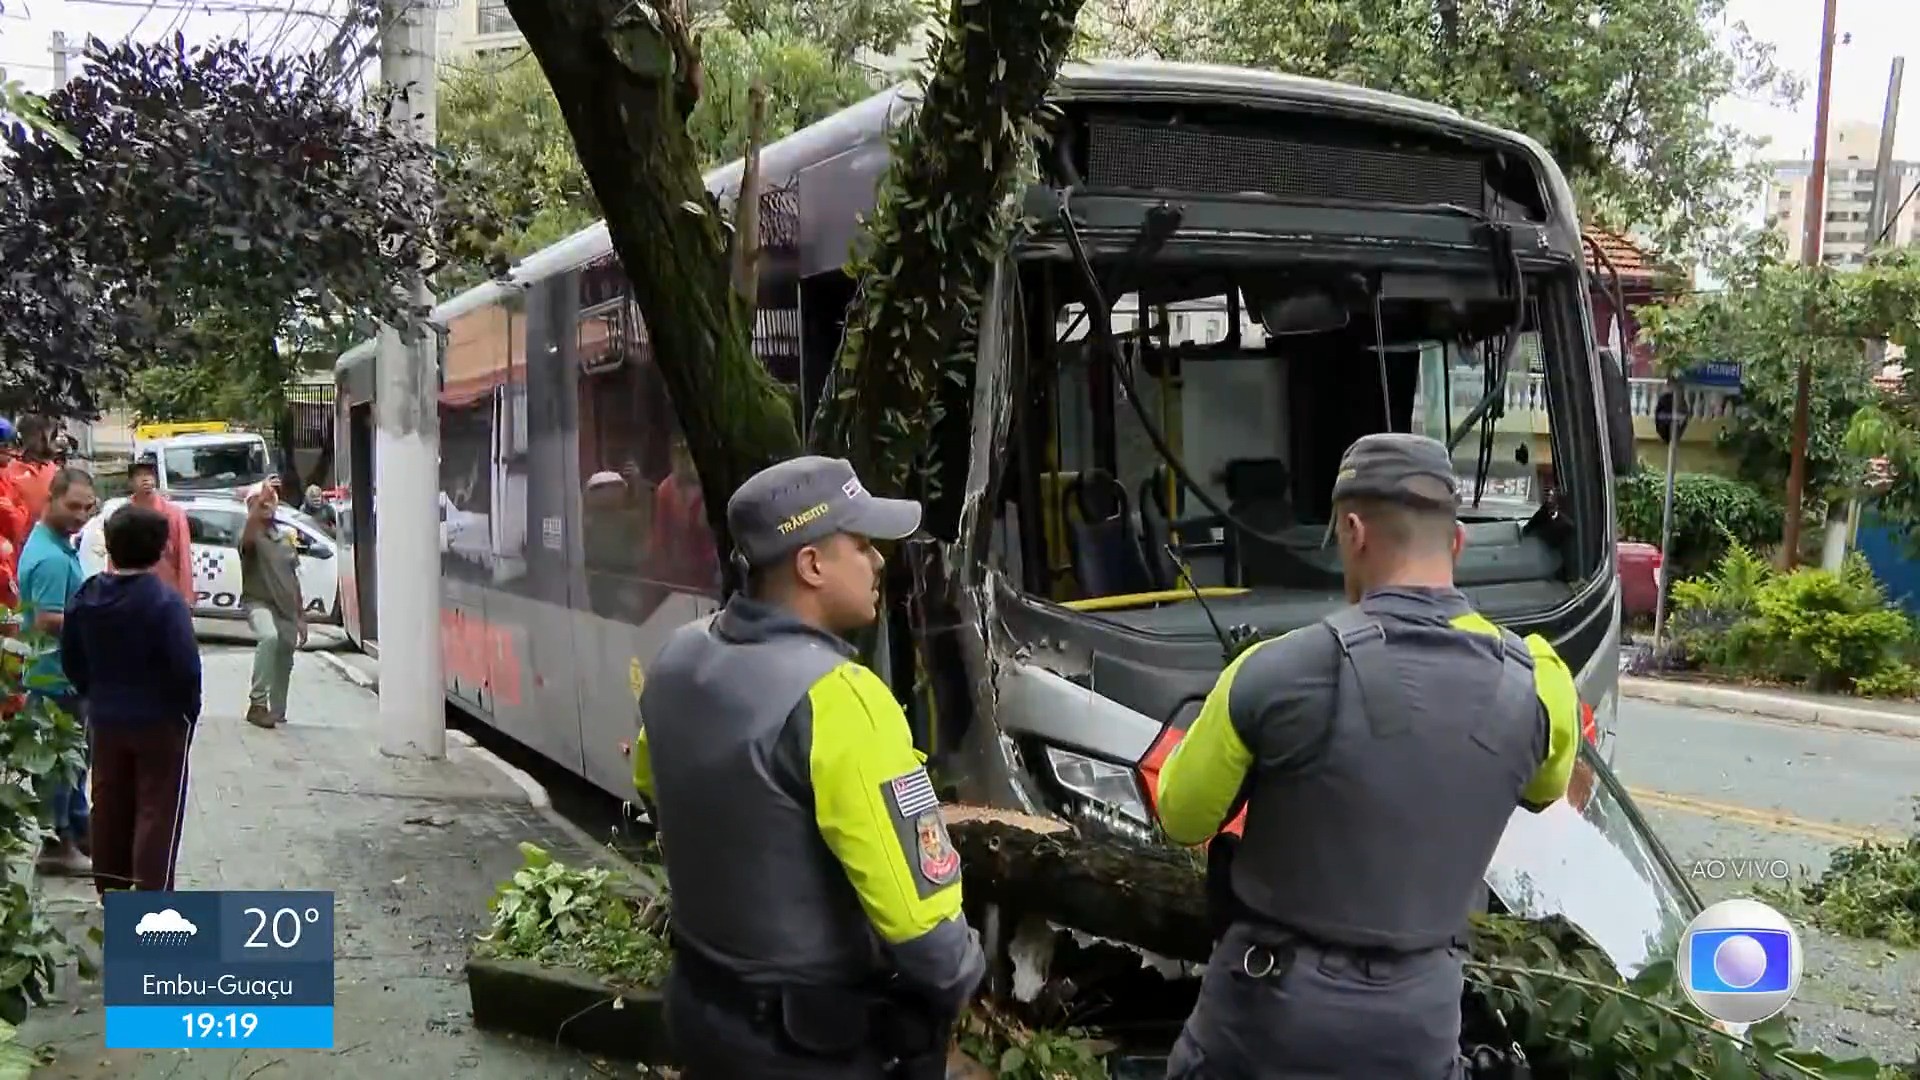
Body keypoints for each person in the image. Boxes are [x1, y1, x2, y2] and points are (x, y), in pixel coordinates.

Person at [1155, 433, 1580, 1080]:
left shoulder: (1271, 671)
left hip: (1268, 1020)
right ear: (1456, 542)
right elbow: (1546, 790)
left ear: (1354, 532)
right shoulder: (1540, 684)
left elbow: (1181, 816)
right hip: (1419, 1026)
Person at [633, 455, 984, 1079]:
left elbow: (651, 785)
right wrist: (964, 973)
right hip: (812, 1051)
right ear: (812, 564)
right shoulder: (840, 698)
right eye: (861, 544)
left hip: (701, 1018)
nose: (879, 562)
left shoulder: (676, 660)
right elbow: (925, 933)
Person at [62, 503, 201, 895]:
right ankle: (151, 898)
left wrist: (94, 694)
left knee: (108, 805)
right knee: (156, 811)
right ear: (159, 551)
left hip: (106, 717)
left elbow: (71, 657)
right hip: (160, 720)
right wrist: (188, 711)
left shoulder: (87, 596)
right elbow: (185, 667)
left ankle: (110, 889)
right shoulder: (164, 602)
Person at [18, 468, 98, 876]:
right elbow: (49, 619)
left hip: (63, 675)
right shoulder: (51, 557)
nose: (81, 515)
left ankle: (81, 835)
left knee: (75, 761)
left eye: (88, 507)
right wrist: (98, 620)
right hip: (55, 677)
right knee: (60, 768)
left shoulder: (55, 544)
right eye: (73, 506)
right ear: (51, 498)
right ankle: (58, 845)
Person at [237, 478, 305, 729]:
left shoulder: (285, 538)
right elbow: (247, 539)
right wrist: (260, 496)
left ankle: (277, 710)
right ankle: (257, 703)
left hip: (285, 607)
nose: (267, 506)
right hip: (259, 602)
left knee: (285, 651)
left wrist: (301, 616)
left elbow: (294, 579)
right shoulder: (250, 536)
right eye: (260, 503)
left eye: (270, 503)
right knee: (269, 637)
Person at [124, 453, 194, 602]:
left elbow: (183, 557)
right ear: (130, 482)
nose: (145, 479)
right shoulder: (124, 515)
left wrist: (186, 597)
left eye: (149, 474)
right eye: (139, 475)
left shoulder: (174, 514)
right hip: (131, 595)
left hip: (165, 594)